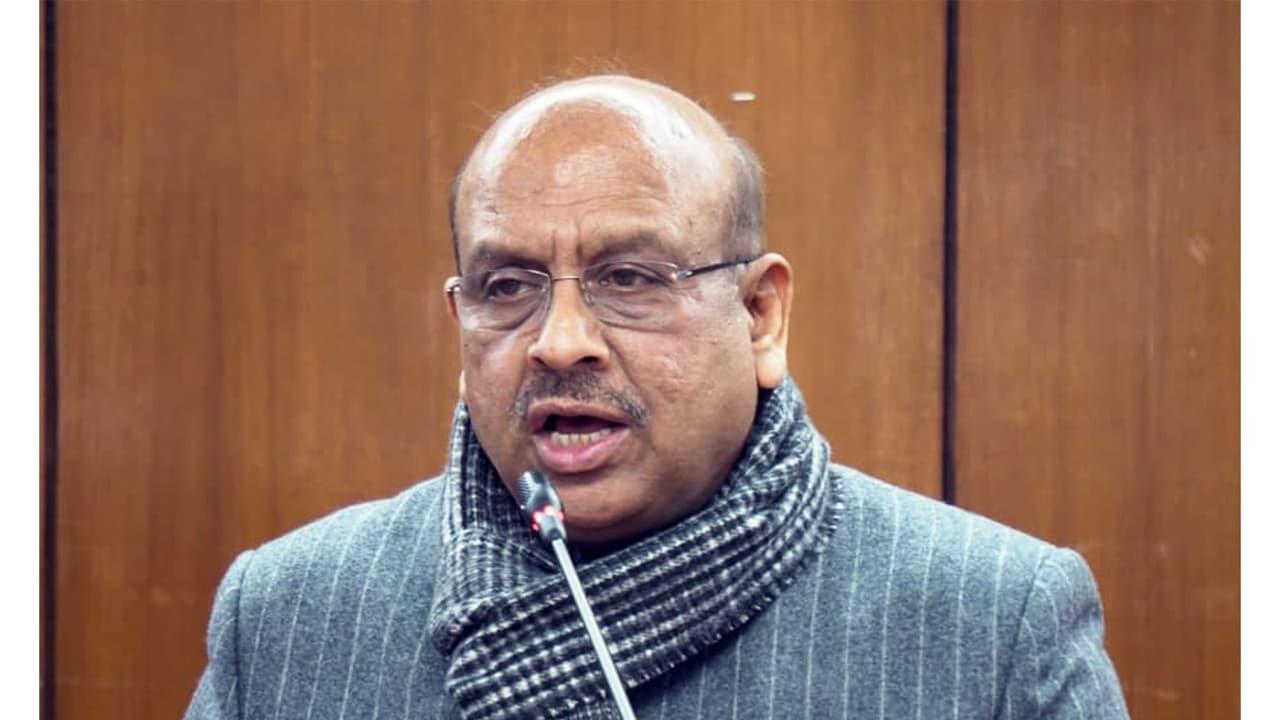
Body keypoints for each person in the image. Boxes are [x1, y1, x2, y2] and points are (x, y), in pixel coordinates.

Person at [185, 75, 1129, 720]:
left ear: (759, 315)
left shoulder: (990, 625)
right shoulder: (288, 618)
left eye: (630, 278)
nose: (560, 341)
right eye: (507, 286)